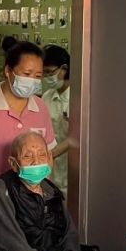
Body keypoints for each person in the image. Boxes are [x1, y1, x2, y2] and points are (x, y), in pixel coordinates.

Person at [0, 41, 58, 196]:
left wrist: (42, 195)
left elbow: (48, 156)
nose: (32, 80)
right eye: (27, 74)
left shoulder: (41, 108)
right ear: (8, 71)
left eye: (38, 76)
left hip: (27, 200)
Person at [41, 44, 73, 191]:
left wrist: (52, 154)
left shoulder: (77, 97)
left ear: (64, 68)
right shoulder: (47, 97)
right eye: (44, 74)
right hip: (50, 167)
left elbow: (78, 136)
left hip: (69, 164)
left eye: (49, 72)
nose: (47, 78)